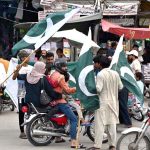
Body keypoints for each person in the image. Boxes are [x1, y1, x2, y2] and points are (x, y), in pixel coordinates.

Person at [47, 58, 86, 149]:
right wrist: (77, 88)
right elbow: (67, 91)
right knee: (74, 120)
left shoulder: (53, 74)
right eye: (64, 66)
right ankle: (73, 142)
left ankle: (58, 137)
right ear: (59, 67)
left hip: (54, 100)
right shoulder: (61, 77)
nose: (65, 68)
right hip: (61, 101)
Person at [87, 56, 123, 150]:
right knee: (112, 124)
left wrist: (91, 86)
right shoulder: (115, 73)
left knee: (99, 125)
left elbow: (98, 89)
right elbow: (120, 87)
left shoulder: (100, 74)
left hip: (102, 102)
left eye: (95, 63)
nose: (94, 65)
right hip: (114, 102)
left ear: (99, 64)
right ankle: (112, 145)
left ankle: (97, 146)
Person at [12, 49, 33, 139]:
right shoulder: (18, 67)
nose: (29, 58)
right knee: (21, 112)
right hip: (21, 93)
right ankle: (22, 132)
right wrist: (17, 70)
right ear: (23, 58)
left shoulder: (31, 68)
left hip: (31, 91)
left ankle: (31, 128)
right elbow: (13, 78)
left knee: (32, 110)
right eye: (27, 56)